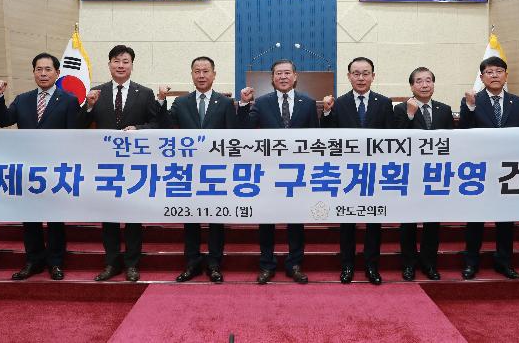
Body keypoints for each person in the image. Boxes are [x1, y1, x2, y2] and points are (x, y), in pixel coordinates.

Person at [79, 45, 166, 282]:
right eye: (116, 61)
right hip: (105, 165)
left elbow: (157, 124)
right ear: (109, 65)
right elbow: (79, 125)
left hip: (134, 163)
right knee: (109, 217)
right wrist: (87, 106)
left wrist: (138, 129)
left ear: (131, 65)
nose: (120, 65)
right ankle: (111, 263)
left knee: (133, 216)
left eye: (125, 61)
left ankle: (132, 264)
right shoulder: (96, 92)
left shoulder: (144, 93)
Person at [0, 52, 80, 281]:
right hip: (28, 168)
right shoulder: (23, 99)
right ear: (33, 73)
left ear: (57, 73)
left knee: (55, 219)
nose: (43, 73)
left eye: (48, 69)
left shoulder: (69, 100)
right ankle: (32, 261)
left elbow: (74, 136)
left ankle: (56, 263)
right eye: (39, 69)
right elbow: (3, 121)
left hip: (55, 169)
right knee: (30, 218)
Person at [238, 59, 319, 284]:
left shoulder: (308, 103)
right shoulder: (261, 103)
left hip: (298, 173)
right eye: (278, 74)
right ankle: (266, 264)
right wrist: (244, 106)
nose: (283, 77)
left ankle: (294, 263)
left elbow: (316, 138)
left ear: (295, 76)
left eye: (287, 73)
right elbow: (244, 131)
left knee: (296, 221)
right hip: (269, 172)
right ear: (272, 78)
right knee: (267, 220)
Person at [158, 56, 236, 283]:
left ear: (214, 74)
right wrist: (162, 100)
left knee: (215, 219)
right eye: (197, 71)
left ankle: (214, 263)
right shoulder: (181, 103)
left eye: (205, 71)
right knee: (190, 218)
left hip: (216, 172)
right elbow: (165, 127)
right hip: (188, 171)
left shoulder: (224, 103)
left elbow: (232, 137)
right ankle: (191, 262)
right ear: (191, 74)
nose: (201, 75)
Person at [321, 57, 393, 285]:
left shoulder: (384, 103)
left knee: (373, 222)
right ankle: (347, 266)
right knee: (347, 223)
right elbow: (328, 137)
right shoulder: (339, 104)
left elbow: (391, 138)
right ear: (348, 76)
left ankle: (372, 266)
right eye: (356, 73)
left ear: (373, 76)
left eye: (365, 73)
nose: (361, 78)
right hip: (347, 174)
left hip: (375, 173)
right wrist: (326, 113)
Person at [459, 56, 519, 280]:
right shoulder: (472, 101)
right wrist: (469, 108)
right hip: (480, 170)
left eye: (499, 71)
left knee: (506, 220)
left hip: (509, 170)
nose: (495, 75)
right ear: (482, 77)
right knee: (476, 221)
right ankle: (471, 262)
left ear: (506, 76)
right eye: (489, 72)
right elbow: (464, 134)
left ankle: (504, 262)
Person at [394, 66, 454, 282]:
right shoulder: (401, 109)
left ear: (433, 84)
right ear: (412, 86)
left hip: (435, 174)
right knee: (408, 222)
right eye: (419, 81)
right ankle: (408, 264)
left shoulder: (444, 110)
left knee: (432, 222)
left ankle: (429, 263)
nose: (424, 84)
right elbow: (395, 141)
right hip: (409, 173)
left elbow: (451, 143)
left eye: (428, 80)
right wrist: (410, 115)